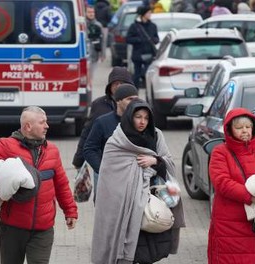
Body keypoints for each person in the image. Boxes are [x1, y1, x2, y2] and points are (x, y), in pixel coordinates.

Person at [0, 106, 78, 264]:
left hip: (43, 228)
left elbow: (61, 184)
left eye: (46, 122)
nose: (47, 126)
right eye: (42, 122)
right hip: (12, 228)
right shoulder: (6, 146)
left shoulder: (52, 151)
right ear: (28, 126)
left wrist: (70, 211)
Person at [91, 98, 185, 264]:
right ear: (129, 117)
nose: (142, 122)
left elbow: (169, 163)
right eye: (138, 117)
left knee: (149, 252)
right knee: (129, 253)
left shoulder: (156, 135)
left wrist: (155, 161)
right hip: (124, 207)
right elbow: (109, 178)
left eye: (146, 118)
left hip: (152, 204)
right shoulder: (117, 142)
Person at [208, 108, 255, 264]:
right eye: (239, 128)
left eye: (247, 127)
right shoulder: (220, 152)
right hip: (231, 222)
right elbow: (222, 183)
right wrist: (251, 197)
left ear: (253, 127)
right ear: (230, 130)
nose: (244, 131)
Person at [72, 66, 134, 170]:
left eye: (122, 83)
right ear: (110, 86)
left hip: (129, 165)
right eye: (115, 83)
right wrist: (78, 160)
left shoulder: (138, 107)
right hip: (103, 164)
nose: (118, 86)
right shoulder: (98, 105)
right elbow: (87, 133)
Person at [83, 84, 138, 197]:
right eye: (129, 99)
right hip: (107, 180)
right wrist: (102, 169)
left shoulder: (141, 122)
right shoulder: (103, 122)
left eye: (136, 99)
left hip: (133, 180)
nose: (134, 102)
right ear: (118, 101)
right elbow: (89, 149)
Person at [126, 6, 159, 88]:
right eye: (148, 13)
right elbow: (128, 39)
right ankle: (135, 92)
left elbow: (157, 38)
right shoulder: (134, 26)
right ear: (143, 14)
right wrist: (139, 40)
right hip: (138, 54)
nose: (150, 14)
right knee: (137, 75)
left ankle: (148, 91)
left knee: (148, 74)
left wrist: (153, 40)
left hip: (149, 53)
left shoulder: (153, 26)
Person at [86, 5, 104, 82]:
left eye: (92, 12)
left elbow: (102, 40)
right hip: (85, 54)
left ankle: (89, 86)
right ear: (85, 13)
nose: (91, 14)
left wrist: (102, 54)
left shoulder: (98, 25)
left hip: (94, 54)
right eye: (89, 12)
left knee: (91, 74)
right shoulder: (82, 25)